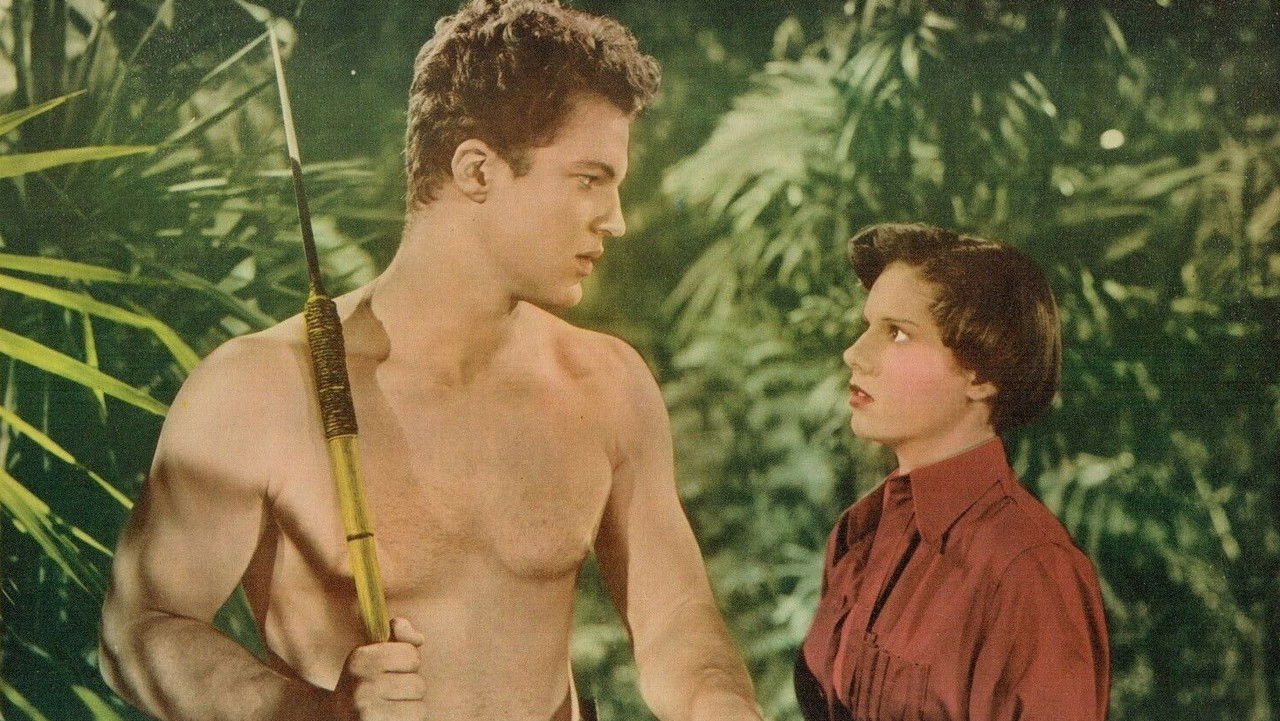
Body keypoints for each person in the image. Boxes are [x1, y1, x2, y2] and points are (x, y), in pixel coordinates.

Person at [98, 1, 762, 719]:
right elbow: (141, 630)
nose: (617, 218)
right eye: (589, 179)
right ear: (476, 170)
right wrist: (313, 714)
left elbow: (675, 623)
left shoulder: (605, 384)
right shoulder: (261, 387)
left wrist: (723, 708)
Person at [795, 223, 1110, 720]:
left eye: (898, 333)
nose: (855, 354)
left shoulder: (1028, 570)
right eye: (868, 326)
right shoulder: (862, 531)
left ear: (981, 373)